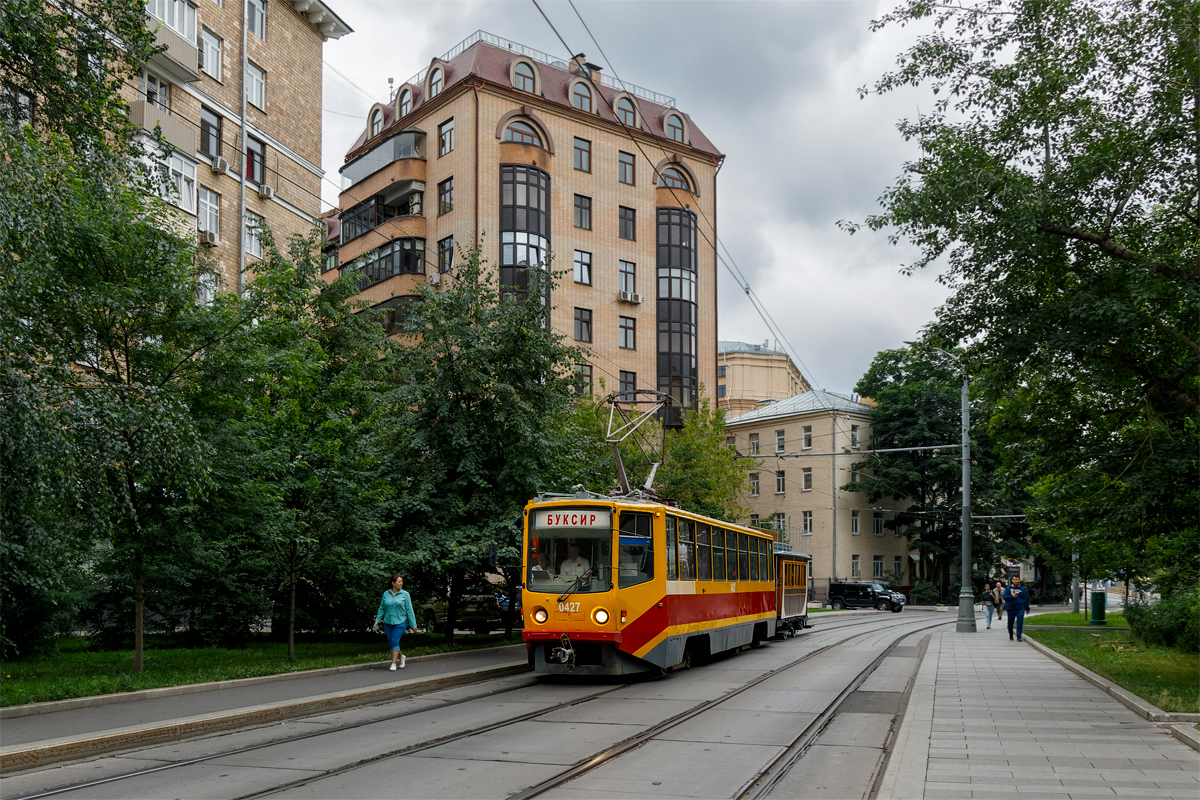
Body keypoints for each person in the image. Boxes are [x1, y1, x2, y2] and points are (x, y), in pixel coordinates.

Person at [371, 574, 417, 670]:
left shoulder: (405, 594)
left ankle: (393, 663)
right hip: (388, 622)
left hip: (400, 621)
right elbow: (382, 608)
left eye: (402, 581)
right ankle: (401, 657)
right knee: (391, 643)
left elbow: (410, 610)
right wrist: (377, 621)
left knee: (395, 641)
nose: (401, 583)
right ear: (393, 583)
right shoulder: (386, 594)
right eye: (399, 581)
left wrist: (413, 625)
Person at [1003, 575, 1031, 642]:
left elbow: (1026, 598)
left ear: (1019, 580)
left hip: (1020, 608)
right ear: (1012, 580)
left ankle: (1019, 636)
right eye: (1015, 579)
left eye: (1017, 579)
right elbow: (1005, 597)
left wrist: (1027, 608)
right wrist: (1011, 596)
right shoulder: (1008, 588)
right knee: (1010, 622)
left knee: (1020, 621)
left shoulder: (1022, 589)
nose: (1016, 581)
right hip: (1011, 608)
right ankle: (1011, 634)